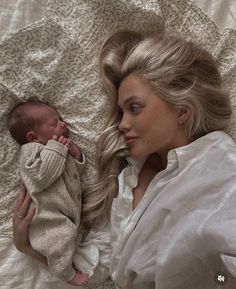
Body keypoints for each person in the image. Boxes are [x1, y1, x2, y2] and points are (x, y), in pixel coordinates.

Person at [12, 30, 236, 289]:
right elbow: (94, 270)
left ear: (182, 110)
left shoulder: (223, 169)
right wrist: (27, 247)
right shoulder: (128, 178)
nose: (122, 124)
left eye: (135, 108)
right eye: (121, 112)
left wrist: (216, 279)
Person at [8, 101, 89, 286]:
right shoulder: (31, 151)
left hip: (64, 213)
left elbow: (72, 177)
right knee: (59, 244)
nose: (63, 124)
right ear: (33, 138)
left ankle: (66, 261)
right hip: (47, 218)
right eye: (54, 124)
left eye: (60, 119)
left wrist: (76, 157)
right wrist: (58, 149)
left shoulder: (57, 151)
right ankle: (66, 273)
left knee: (68, 238)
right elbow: (40, 177)